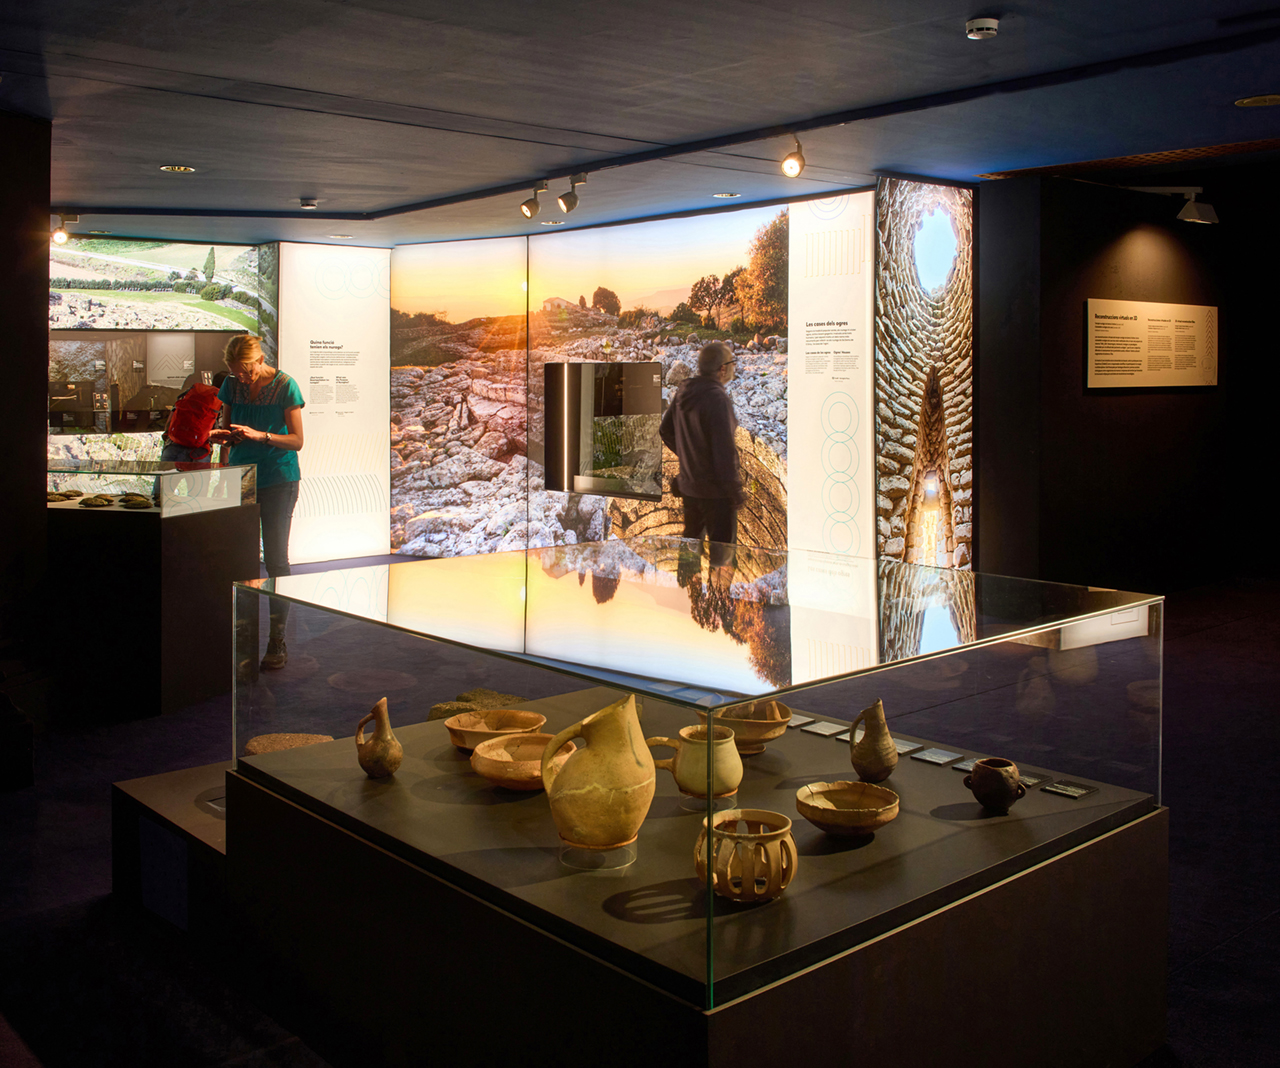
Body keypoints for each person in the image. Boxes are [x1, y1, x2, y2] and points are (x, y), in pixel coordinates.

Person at [209, 335, 305, 669]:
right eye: (237, 373)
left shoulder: (285, 385)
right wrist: (225, 437)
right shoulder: (231, 387)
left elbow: (297, 441)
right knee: (241, 561)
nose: (243, 379)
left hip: (278, 479)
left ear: (260, 359)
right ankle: (243, 641)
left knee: (276, 560)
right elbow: (227, 429)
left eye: (247, 372)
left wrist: (259, 435)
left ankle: (276, 641)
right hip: (240, 477)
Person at [659, 341, 742, 567]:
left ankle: (686, 595)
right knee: (722, 560)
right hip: (716, 496)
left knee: (689, 554)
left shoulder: (684, 391)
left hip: (689, 490)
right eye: (732, 362)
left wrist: (688, 457)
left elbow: (665, 430)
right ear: (722, 369)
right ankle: (718, 600)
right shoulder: (718, 399)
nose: (735, 367)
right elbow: (724, 453)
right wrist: (735, 492)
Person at [160, 371, 229, 462]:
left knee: (165, 476)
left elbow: (169, 422)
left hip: (172, 447)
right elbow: (223, 439)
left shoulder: (190, 394)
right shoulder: (222, 404)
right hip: (198, 453)